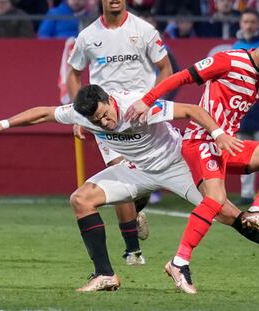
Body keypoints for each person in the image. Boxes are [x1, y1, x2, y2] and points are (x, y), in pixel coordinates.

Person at [0, 84, 259, 292]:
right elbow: (44, 113)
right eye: (98, 122)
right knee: (81, 199)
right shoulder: (84, 112)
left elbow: (192, 111)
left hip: (176, 165)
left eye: (105, 115)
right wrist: (1, 125)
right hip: (136, 171)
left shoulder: (134, 104)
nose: (106, 123)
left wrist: (218, 133)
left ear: (108, 101)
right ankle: (105, 274)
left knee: (227, 213)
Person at [126, 23, 259, 294]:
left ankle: (258, 210)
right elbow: (182, 77)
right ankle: (179, 262)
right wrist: (147, 100)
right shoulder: (229, 60)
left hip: (228, 144)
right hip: (200, 141)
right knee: (216, 201)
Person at [66, 0, 173, 265]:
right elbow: (73, 74)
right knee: (121, 171)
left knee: (140, 186)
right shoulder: (88, 36)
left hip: (140, 117)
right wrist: (80, 115)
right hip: (108, 119)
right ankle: (133, 252)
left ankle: (136, 212)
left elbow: (166, 69)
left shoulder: (145, 31)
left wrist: (151, 102)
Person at [232, 8, 259, 206]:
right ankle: (247, 193)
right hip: (243, 110)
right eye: (246, 21)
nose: (249, 25)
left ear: (258, 24)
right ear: (241, 24)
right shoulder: (236, 46)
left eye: (252, 21)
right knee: (244, 154)